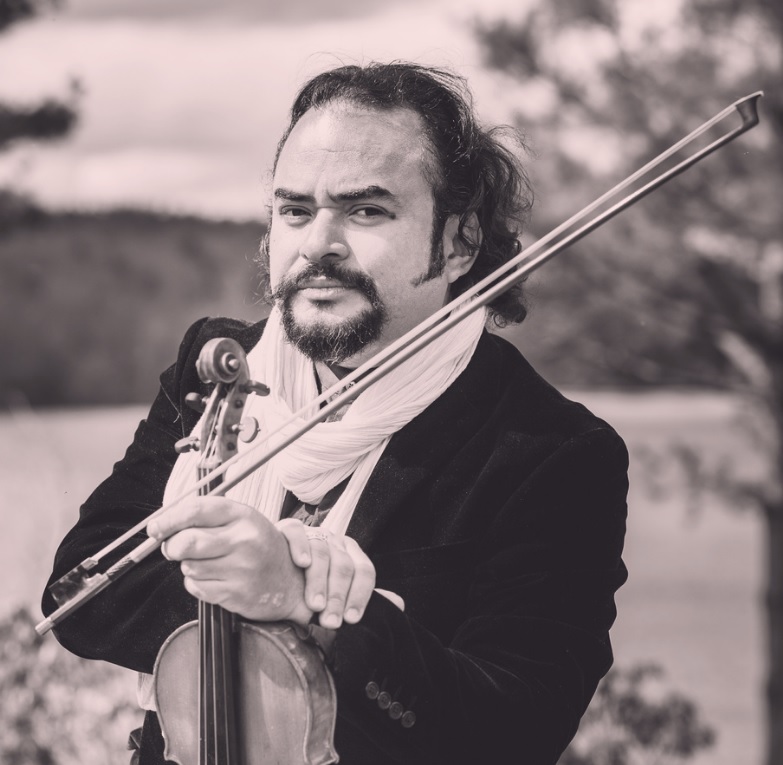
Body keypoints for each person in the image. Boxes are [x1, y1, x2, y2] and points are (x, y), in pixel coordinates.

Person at [42, 62, 629, 765]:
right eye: (295, 210)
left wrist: (311, 608)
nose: (317, 245)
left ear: (460, 242)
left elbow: (510, 732)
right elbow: (78, 597)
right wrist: (239, 593)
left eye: (366, 211)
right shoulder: (218, 363)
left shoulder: (551, 452)